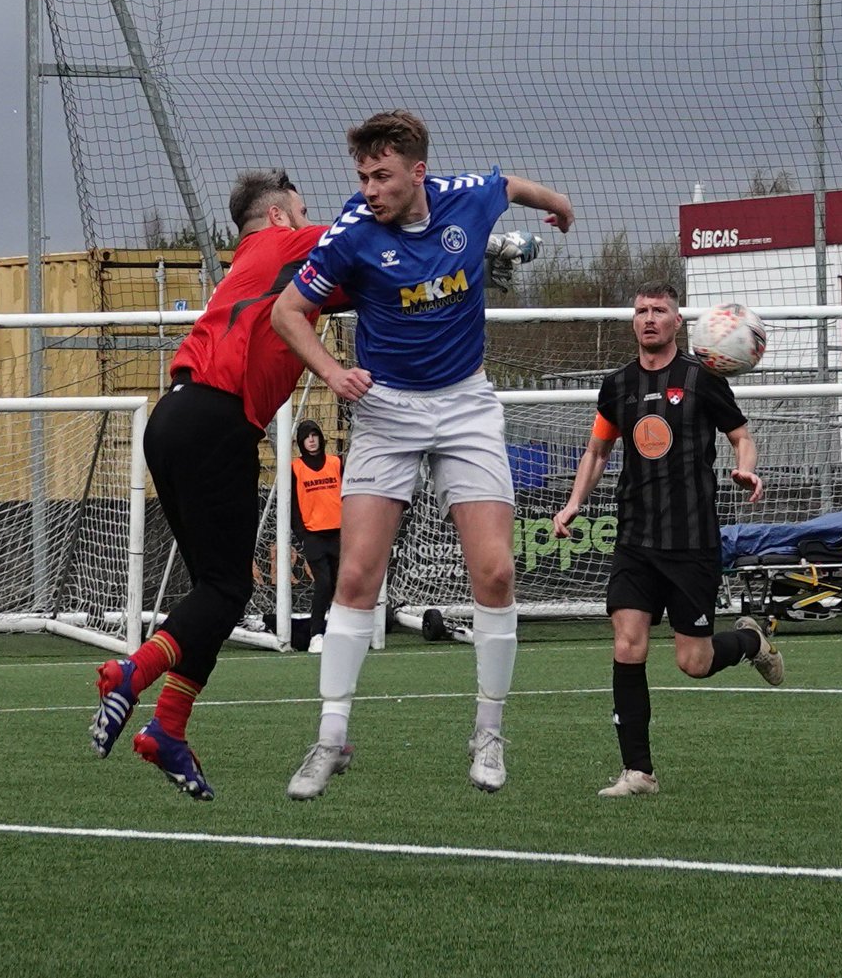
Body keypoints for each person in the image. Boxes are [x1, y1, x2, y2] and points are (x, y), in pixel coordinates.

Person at [271, 109, 574, 799]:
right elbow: (285, 313)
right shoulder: (352, 233)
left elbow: (510, 185)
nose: (370, 188)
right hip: (386, 412)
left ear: (417, 172)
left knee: (495, 571)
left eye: (381, 175)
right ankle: (330, 736)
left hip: (466, 403)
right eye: (362, 176)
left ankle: (489, 733)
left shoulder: (468, 196)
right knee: (355, 576)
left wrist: (559, 205)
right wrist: (331, 371)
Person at [88, 169, 342, 801]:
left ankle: (167, 730)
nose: (311, 222)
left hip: (172, 418)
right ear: (282, 218)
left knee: (215, 592)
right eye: (303, 212)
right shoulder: (288, 246)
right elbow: (363, 238)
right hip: (216, 422)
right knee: (229, 589)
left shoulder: (256, 266)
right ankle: (133, 671)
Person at [550, 282, 783, 798]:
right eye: (641, 311)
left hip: (692, 539)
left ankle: (750, 641)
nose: (648, 318)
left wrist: (747, 471)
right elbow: (597, 452)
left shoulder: (704, 380)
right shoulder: (617, 386)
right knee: (627, 644)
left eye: (659, 311)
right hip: (635, 536)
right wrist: (572, 504)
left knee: (692, 663)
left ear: (679, 323)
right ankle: (638, 772)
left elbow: (742, 437)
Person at [291, 418, 342, 654]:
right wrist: (301, 533)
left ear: (320, 437)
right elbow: (292, 505)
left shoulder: (336, 463)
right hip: (313, 535)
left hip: (338, 532)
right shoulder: (295, 468)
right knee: (323, 583)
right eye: (306, 437)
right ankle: (316, 634)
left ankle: (339, 629)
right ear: (301, 442)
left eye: (314, 435)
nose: (311, 440)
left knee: (340, 584)